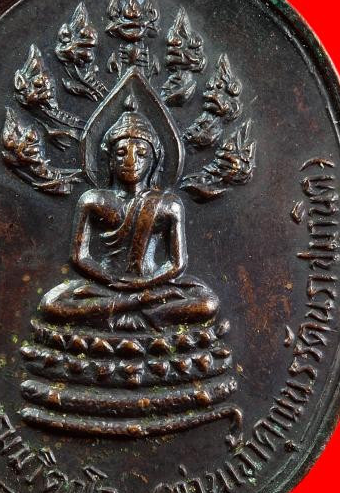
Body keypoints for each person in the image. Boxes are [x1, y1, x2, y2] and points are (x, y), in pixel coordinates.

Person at [39, 102, 219, 331]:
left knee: (207, 303)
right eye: (121, 153)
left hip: (153, 284)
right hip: (106, 286)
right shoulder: (93, 200)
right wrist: (112, 280)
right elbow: (79, 257)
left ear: (154, 160)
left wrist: (145, 282)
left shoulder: (168, 204)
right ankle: (141, 308)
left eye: (141, 154)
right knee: (52, 304)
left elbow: (177, 263)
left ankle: (121, 311)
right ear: (109, 160)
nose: (131, 161)